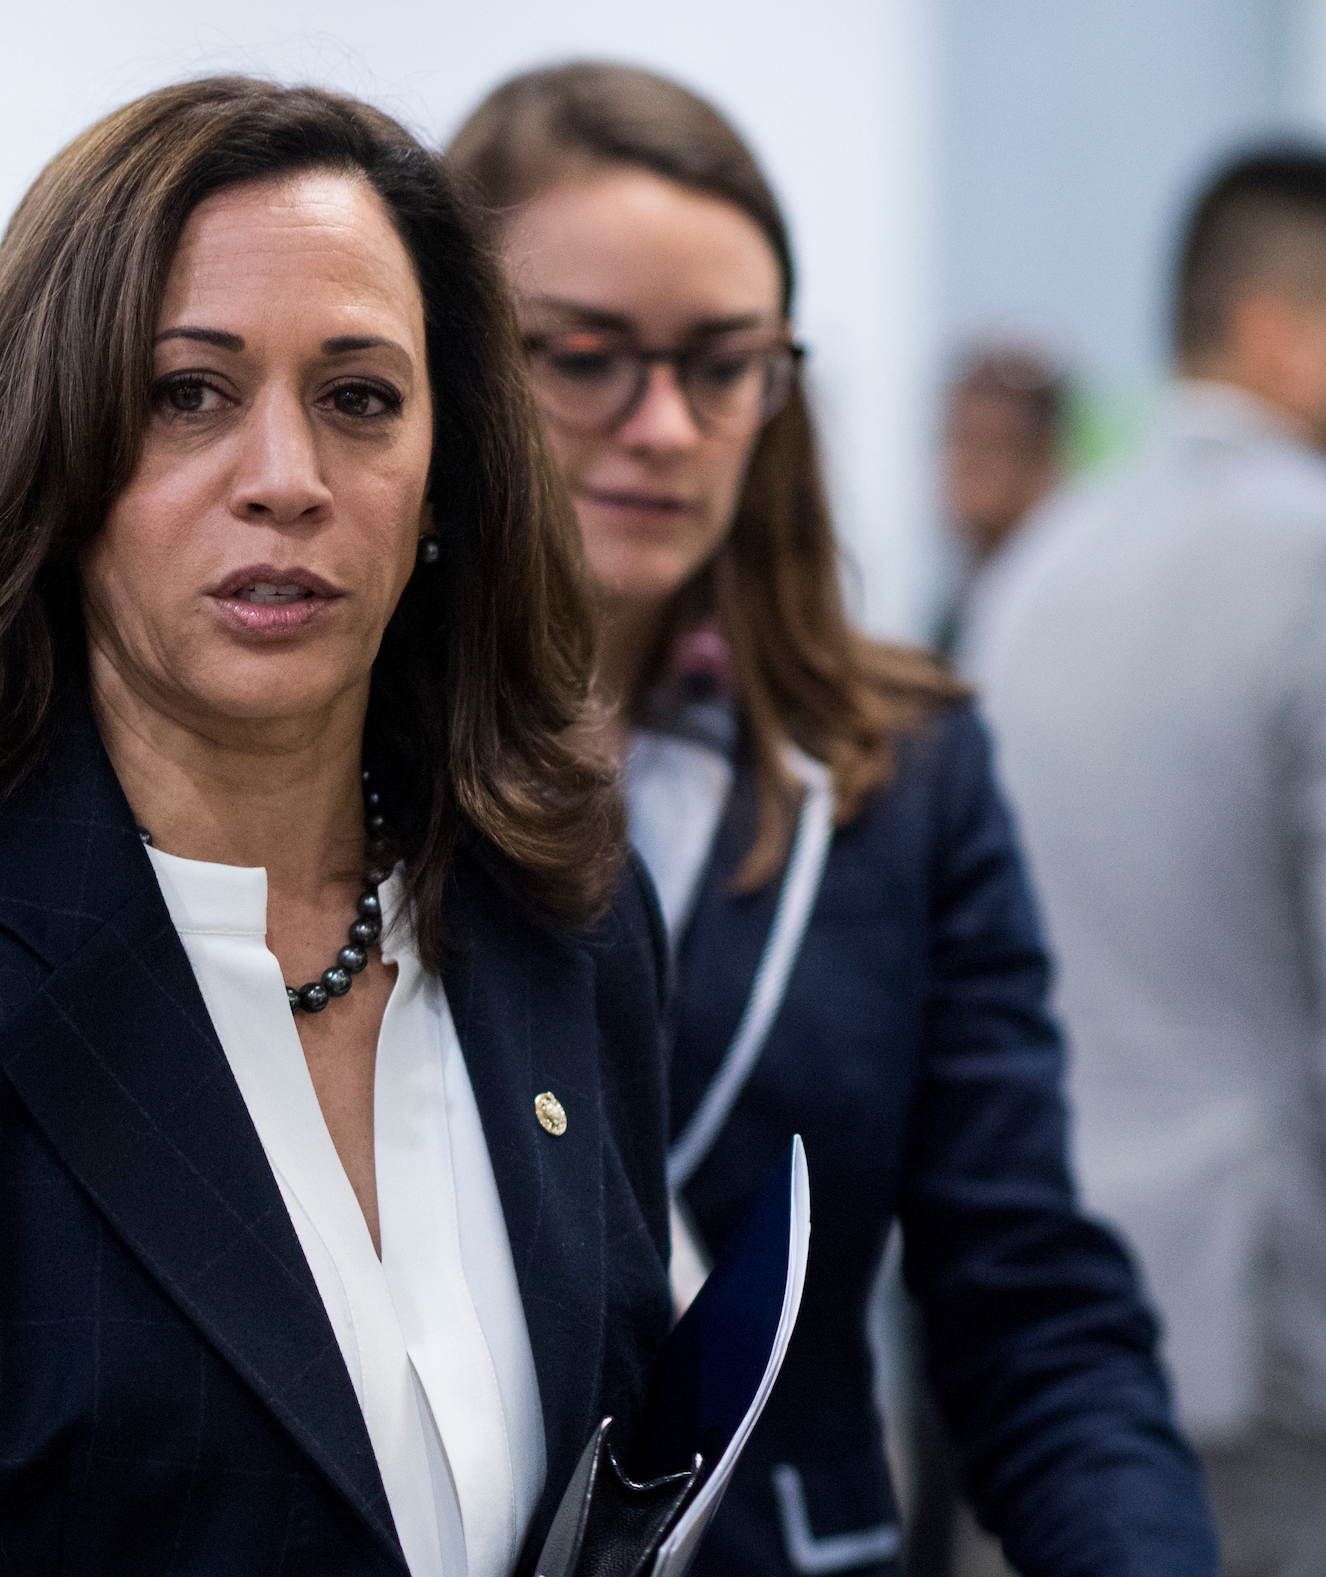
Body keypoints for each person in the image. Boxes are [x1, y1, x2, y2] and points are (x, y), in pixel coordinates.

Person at [0, 76, 674, 1577]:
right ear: (57, 454)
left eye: (359, 398)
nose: (284, 480)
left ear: (444, 484)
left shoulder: (565, 921)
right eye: (188, 394)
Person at [448, 62, 1211, 1577]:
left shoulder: (897, 771)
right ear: (449, 360)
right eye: (584, 356)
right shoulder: (331, 749)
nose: (663, 423)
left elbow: (1023, 1287)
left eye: (724, 363)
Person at [973, 145, 1326, 1577]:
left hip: (1033, 1314)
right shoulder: (1308, 551)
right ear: (1271, 329)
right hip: (1265, 1330)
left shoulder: (1035, 563)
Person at [932, 345, 1067, 660]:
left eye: (990, 446)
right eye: (957, 439)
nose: (965, 466)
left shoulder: (1052, 593)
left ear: (1041, 461)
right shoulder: (967, 581)